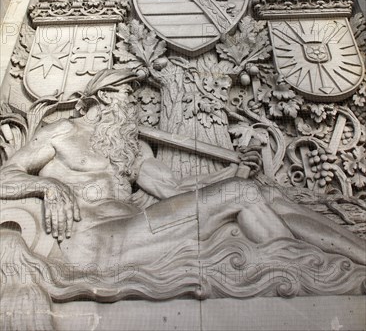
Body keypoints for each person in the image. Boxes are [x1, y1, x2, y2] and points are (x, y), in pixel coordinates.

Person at [0, 71, 364, 272]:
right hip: (91, 242)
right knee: (241, 195)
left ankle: (357, 256)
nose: (135, 104)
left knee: (262, 192)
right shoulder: (63, 132)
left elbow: (174, 189)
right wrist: (48, 186)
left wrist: (234, 172)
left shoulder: (127, 147)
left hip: (134, 231)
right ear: (107, 96)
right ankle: (305, 270)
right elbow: (5, 176)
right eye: (129, 93)